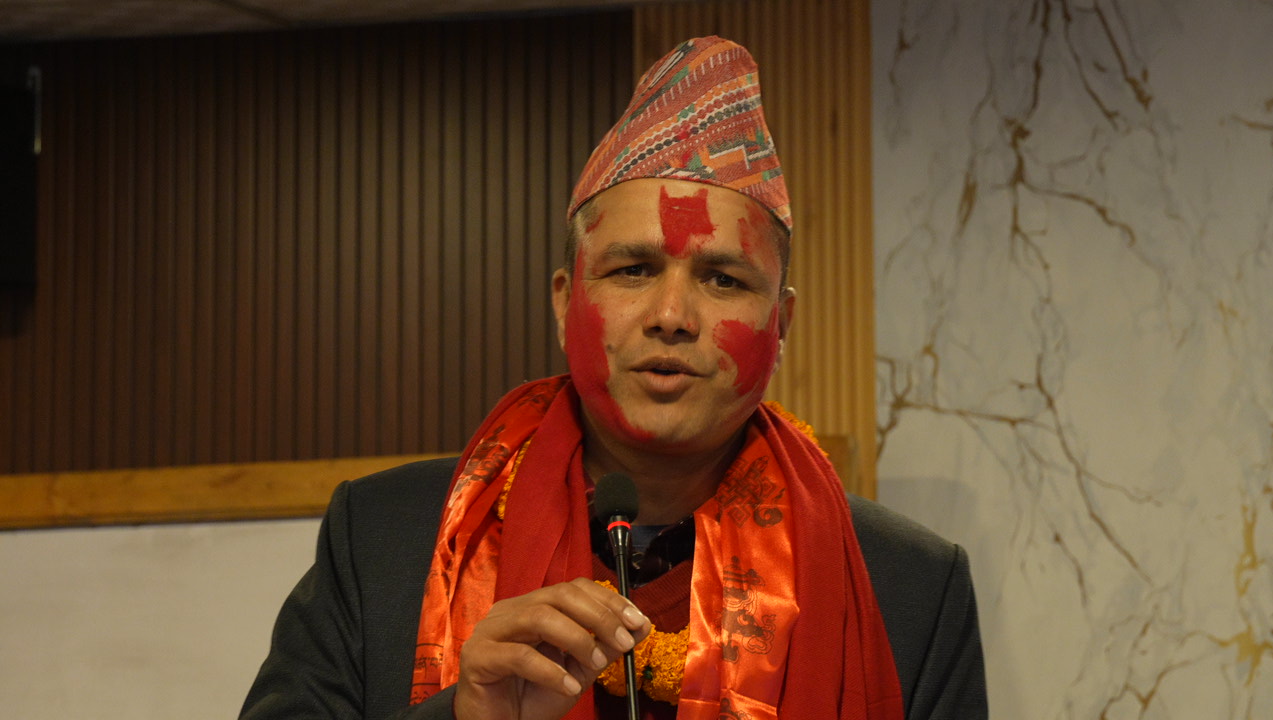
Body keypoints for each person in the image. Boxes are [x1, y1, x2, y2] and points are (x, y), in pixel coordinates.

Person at [240, 36, 986, 720]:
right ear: (564, 301)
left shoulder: (909, 586)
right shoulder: (385, 537)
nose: (671, 315)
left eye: (723, 280)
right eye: (632, 270)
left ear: (781, 324)